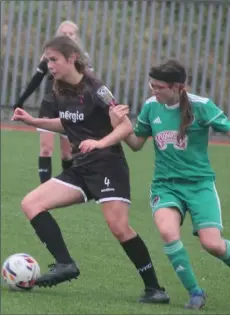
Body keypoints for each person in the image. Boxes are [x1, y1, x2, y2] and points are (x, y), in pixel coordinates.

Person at [12, 35, 170, 304]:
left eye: (53, 59)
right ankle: (65, 264)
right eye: (46, 60)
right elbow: (68, 124)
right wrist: (33, 121)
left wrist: (99, 143)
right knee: (31, 203)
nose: (49, 65)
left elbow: (125, 127)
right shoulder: (59, 87)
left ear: (72, 58)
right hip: (80, 169)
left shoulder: (97, 89)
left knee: (119, 228)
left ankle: (155, 289)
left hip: (108, 164)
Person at [110, 59, 230, 309]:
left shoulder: (201, 106)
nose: (154, 91)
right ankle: (195, 292)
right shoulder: (150, 107)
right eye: (152, 85)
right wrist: (120, 127)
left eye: (159, 87)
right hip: (165, 186)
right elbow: (136, 144)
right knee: (168, 232)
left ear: (178, 87)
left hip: (200, 185)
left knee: (212, 244)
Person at [14, 20, 93, 184]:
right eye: (64, 33)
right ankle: (45, 187)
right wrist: (20, 101)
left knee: (67, 154)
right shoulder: (49, 56)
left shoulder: (82, 58)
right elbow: (36, 79)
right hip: (50, 105)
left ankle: (69, 186)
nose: (67, 36)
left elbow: (90, 84)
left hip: (69, 106)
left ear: (76, 37)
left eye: (70, 34)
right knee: (46, 149)